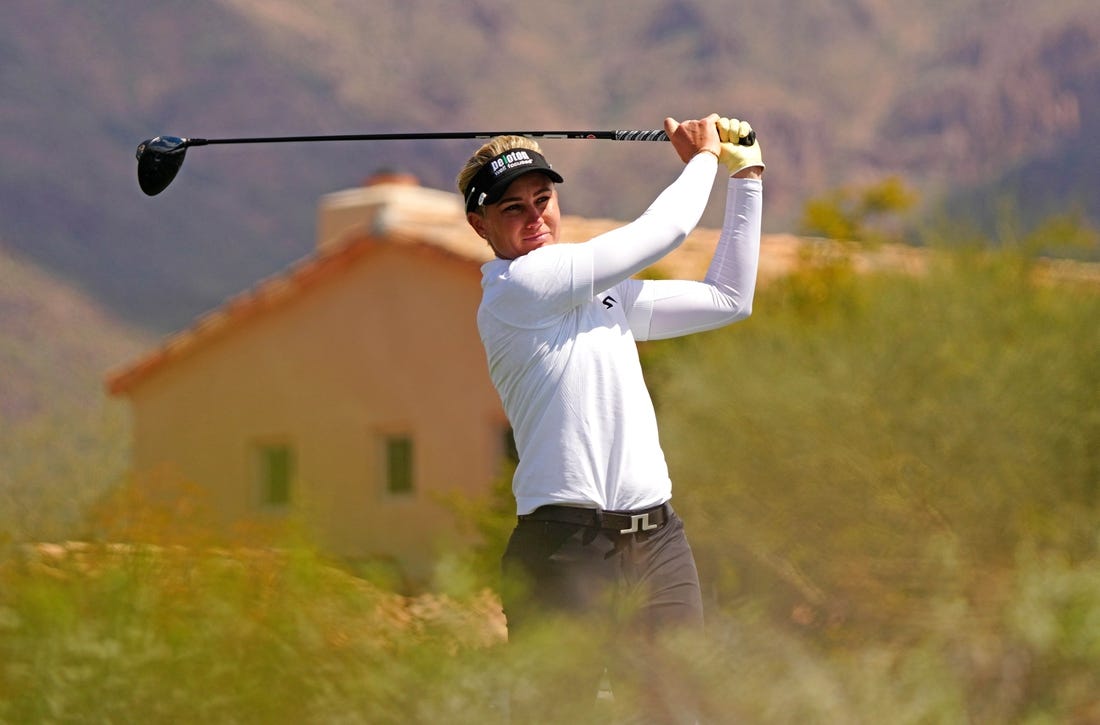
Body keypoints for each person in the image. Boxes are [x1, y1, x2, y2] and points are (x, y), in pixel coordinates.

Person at [456, 114, 763, 723]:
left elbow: (731, 300)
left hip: (659, 542)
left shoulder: (603, 294)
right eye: (513, 208)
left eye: (543, 199)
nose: (535, 216)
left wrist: (747, 176)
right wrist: (704, 157)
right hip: (565, 548)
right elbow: (666, 229)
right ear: (479, 224)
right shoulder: (518, 290)